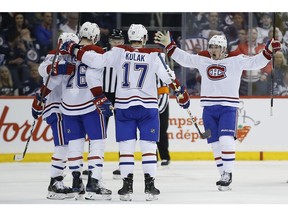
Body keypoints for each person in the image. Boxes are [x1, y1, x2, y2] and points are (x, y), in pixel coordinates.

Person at [60, 23, 190, 201]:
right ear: (144, 39)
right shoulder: (155, 54)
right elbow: (168, 76)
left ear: (129, 38)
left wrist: (74, 49)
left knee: (126, 148)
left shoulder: (118, 51)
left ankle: (126, 187)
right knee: (149, 148)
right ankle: (149, 186)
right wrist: (181, 92)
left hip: (124, 106)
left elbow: (95, 61)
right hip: (148, 107)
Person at [154, 31, 281, 191]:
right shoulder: (204, 60)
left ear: (223, 49)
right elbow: (185, 59)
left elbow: (256, 62)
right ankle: (223, 176)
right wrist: (170, 45)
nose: (212, 49)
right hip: (208, 108)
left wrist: (268, 50)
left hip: (228, 107)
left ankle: (228, 173)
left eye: (216, 47)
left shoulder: (236, 60)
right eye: (211, 46)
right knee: (215, 144)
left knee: (226, 140)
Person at [59, 22, 113, 201]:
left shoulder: (65, 49)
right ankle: (94, 182)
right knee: (97, 142)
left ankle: (76, 183)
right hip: (90, 104)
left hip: (67, 104)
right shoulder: (96, 51)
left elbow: (50, 73)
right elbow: (91, 74)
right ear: (96, 37)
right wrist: (100, 96)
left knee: (75, 143)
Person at [32, 32, 79, 200]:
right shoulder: (54, 55)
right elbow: (43, 71)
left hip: (66, 108)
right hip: (56, 108)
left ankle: (60, 180)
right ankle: (55, 183)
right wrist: (56, 68)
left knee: (66, 145)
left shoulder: (75, 58)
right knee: (62, 145)